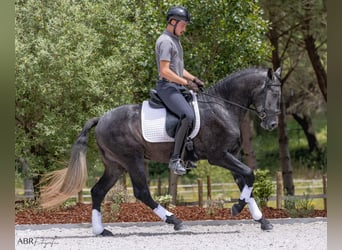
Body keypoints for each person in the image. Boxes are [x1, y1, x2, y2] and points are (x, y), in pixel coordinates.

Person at [155, 6, 204, 175]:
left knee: (198, 112)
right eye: (183, 24)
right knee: (187, 115)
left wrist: (194, 79)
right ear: (173, 22)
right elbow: (165, 71)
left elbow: (177, 69)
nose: (185, 28)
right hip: (167, 87)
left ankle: (189, 154)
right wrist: (185, 83)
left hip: (176, 85)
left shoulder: (175, 40)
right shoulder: (165, 41)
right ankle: (175, 159)